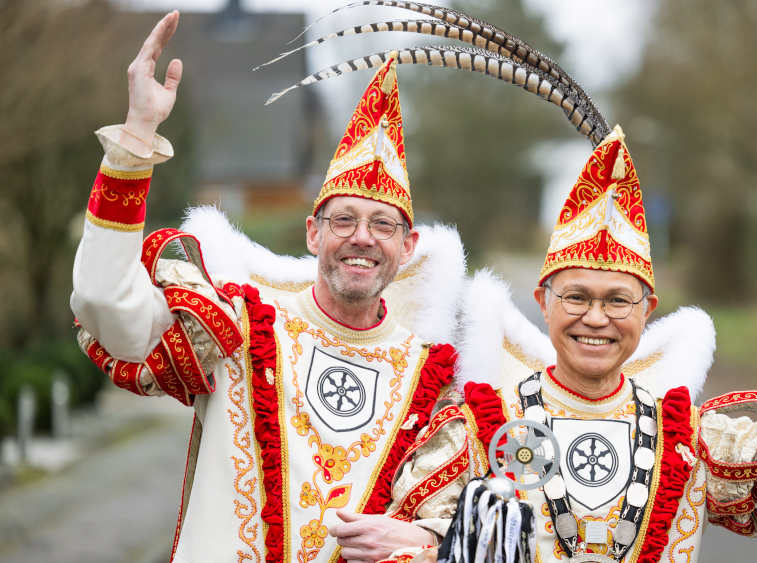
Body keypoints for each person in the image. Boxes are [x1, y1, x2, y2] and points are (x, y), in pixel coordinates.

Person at [72, 12, 467, 563]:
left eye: (383, 225)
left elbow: (448, 528)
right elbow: (105, 306)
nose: (362, 239)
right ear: (312, 233)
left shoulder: (432, 385)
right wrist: (136, 139)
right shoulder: (234, 324)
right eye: (343, 220)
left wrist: (425, 541)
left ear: (407, 246)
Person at [441, 124, 757, 563]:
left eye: (618, 301)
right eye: (576, 297)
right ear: (542, 304)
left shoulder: (693, 442)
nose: (596, 318)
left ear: (647, 311)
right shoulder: (474, 431)